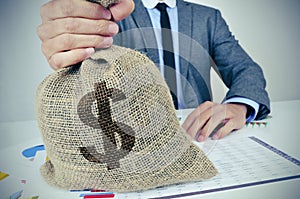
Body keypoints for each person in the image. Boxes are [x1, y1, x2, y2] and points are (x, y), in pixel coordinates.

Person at [37, 0, 270, 142]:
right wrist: (74, 48)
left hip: (199, 136)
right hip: (131, 138)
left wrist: (241, 107)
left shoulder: (208, 18)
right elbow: (90, 75)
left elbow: (245, 69)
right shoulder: (109, 15)